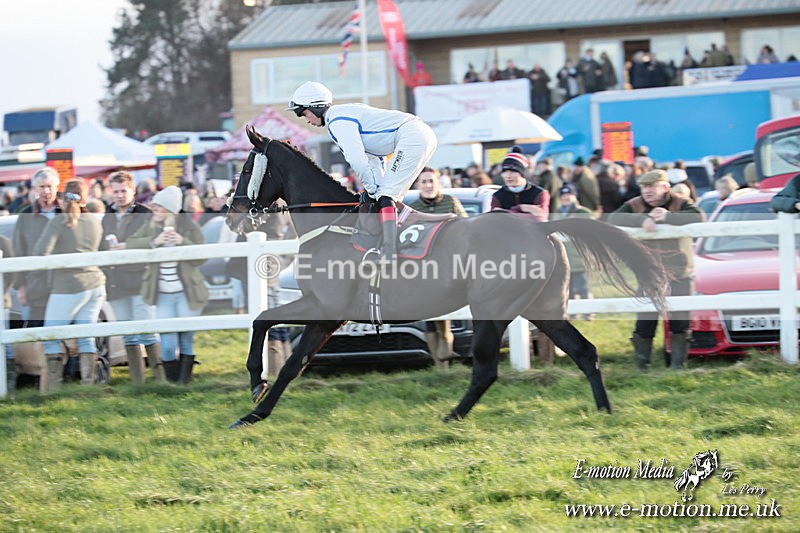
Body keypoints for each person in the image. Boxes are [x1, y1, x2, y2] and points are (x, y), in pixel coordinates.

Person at [288, 81, 437, 262]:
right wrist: (374, 188)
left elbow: (356, 159)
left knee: (386, 196)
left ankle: (389, 252)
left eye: (305, 114)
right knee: (386, 196)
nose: (308, 120)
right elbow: (374, 158)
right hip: (416, 135)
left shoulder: (337, 122)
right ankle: (394, 240)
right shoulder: (340, 115)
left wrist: (373, 189)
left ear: (315, 107)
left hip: (412, 136)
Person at [607, 170, 705, 371]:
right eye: (644, 187)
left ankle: (678, 366)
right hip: (648, 271)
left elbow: (699, 216)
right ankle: (643, 367)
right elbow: (614, 218)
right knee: (645, 320)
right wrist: (641, 220)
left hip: (680, 271)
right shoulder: (634, 205)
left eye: (652, 186)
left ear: (666, 187)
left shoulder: (680, 202)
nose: (647, 191)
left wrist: (669, 217)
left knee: (680, 320)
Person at [126, 186, 208, 384]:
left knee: (186, 338)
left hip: (187, 293)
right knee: (168, 344)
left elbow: (203, 256)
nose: (154, 209)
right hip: (162, 294)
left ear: (170, 209)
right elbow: (131, 243)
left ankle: (183, 384)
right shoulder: (150, 225)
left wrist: (182, 241)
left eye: (158, 206)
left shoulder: (189, 226)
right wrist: (154, 241)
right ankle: (171, 383)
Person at [33, 179, 106, 391]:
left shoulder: (59, 221)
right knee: (86, 337)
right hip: (95, 284)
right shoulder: (94, 220)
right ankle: (88, 385)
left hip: (68, 286)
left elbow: (40, 253)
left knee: (51, 336)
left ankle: (54, 388)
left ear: (63, 197)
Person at [100, 171, 164, 384]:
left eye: (123, 191)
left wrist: (128, 246)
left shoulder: (145, 213)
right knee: (128, 333)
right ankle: (138, 382)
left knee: (146, 330)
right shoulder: (106, 217)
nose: (119, 196)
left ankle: (160, 378)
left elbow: (155, 239)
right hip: (115, 281)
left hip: (140, 280)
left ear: (133, 190)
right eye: (116, 191)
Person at [408, 167, 468, 368]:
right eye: (423, 182)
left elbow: (466, 227)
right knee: (429, 318)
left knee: (445, 316)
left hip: (450, 265)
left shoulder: (450, 202)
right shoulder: (413, 207)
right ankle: (440, 366)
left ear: (438, 183)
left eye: (431, 181)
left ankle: (446, 353)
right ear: (417, 185)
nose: (427, 185)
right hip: (423, 268)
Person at [13, 167, 61, 329]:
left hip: (65, 284)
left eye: (50, 186)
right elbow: (19, 252)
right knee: (38, 333)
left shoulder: (68, 212)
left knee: (70, 335)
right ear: (35, 189)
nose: (46, 191)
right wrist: (21, 286)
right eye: (42, 187)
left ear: (57, 188)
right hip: (37, 286)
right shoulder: (25, 217)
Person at [490, 147, 549, 222]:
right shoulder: (497, 195)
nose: (508, 176)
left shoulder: (540, 193)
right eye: (505, 172)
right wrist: (526, 210)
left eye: (513, 171)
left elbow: (540, 219)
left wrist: (512, 210)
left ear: (523, 173)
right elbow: (493, 220)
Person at [1, 235, 15, 394]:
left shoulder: (3, 241)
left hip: (1, 299)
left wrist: (2, 291)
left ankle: (8, 390)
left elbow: (11, 272)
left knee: (6, 348)